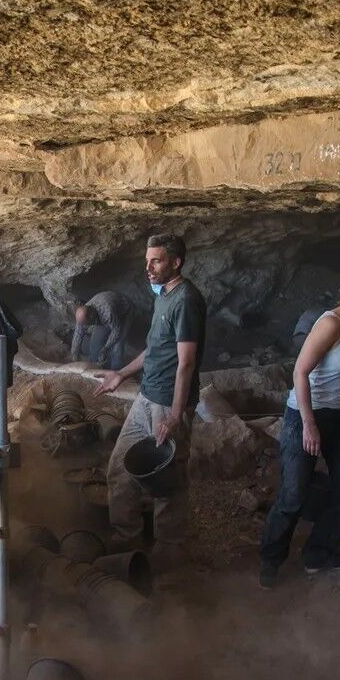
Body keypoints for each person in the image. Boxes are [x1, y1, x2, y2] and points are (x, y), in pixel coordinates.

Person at [259, 260, 340, 589]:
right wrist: (309, 424)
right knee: (293, 494)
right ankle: (271, 560)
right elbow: (300, 372)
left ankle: (318, 554)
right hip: (305, 414)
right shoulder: (331, 324)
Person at [95, 234, 206, 571]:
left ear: (176, 262)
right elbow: (156, 349)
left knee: (167, 481)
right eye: (147, 261)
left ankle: (169, 553)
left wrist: (175, 414)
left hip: (166, 405)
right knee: (119, 467)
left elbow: (186, 362)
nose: (149, 267)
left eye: (156, 260)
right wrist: (122, 374)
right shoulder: (164, 296)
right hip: (146, 397)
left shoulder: (186, 300)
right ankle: (127, 535)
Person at [71, 290, 134, 370]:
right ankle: (96, 368)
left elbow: (116, 332)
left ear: (91, 317)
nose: (86, 326)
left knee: (117, 347)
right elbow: (78, 334)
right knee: (95, 344)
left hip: (125, 312)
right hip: (104, 315)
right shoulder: (83, 315)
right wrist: (74, 355)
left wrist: (106, 348)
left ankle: (116, 372)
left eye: (88, 324)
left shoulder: (107, 313)